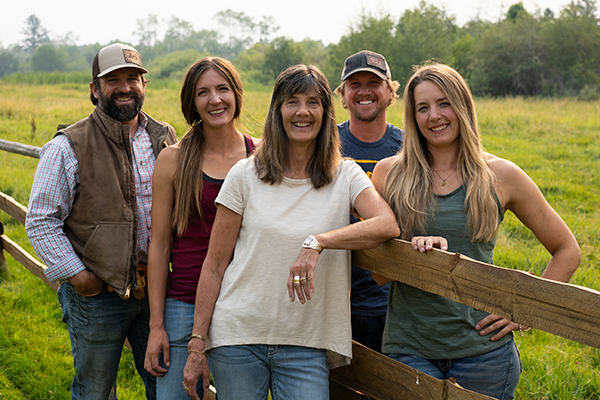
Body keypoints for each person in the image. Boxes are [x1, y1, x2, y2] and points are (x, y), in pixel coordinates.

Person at [181, 64, 399, 400]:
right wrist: (197, 345)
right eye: (292, 101)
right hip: (238, 336)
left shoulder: (345, 175)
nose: (302, 112)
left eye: (313, 102)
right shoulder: (245, 174)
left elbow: (386, 224)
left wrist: (318, 242)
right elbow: (214, 264)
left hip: (307, 341)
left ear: (326, 112)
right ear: (277, 111)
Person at [371, 63, 581, 399]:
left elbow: (567, 250)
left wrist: (525, 309)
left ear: (463, 106)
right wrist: (410, 251)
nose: (434, 116)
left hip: (484, 352)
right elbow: (379, 275)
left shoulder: (501, 175)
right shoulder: (389, 174)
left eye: (444, 103)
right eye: (422, 108)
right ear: (412, 117)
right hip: (409, 346)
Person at [26, 43, 177, 399]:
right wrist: (80, 277)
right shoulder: (69, 145)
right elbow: (40, 220)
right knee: (95, 391)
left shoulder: (164, 137)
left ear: (144, 84)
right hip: (98, 296)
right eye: (113, 80)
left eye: (133, 78)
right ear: (95, 90)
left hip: (157, 288)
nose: (125, 87)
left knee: (165, 385)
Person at [143, 57, 259, 399]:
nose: (215, 100)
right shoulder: (173, 160)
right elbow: (160, 246)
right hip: (184, 302)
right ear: (191, 102)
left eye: (223, 89)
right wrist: (156, 325)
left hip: (243, 303)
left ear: (236, 94)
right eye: (203, 92)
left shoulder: (261, 156)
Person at [334, 50, 403, 352]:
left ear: (390, 92)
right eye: (354, 84)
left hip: (392, 299)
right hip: (331, 297)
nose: (364, 91)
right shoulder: (324, 145)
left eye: (374, 83)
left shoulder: (409, 149)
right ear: (343, 96)